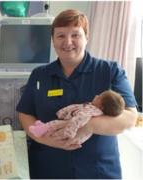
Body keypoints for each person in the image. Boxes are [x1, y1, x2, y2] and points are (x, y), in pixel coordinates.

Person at [16, 9, 138, 179]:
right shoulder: (40, 75)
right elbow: (25, 113)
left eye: (75, 35)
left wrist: (88, 125)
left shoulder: (110, 71)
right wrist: (45, 139)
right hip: (48, 169)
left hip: (97, 171)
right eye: (60, 36)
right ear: (52, 40)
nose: (68, 42)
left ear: (86, 37)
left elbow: (130, 118)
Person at [29, 90, 125, 138]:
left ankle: (40, 130)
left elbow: (78, 120)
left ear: (101, 106)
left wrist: (69, 132)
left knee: (54, 124)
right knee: (54, 125)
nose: (96, 95)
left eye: (99, 97)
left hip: (69, 127)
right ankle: (43, 127)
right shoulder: (93, 108)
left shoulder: (91, 111)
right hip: (69, 123)